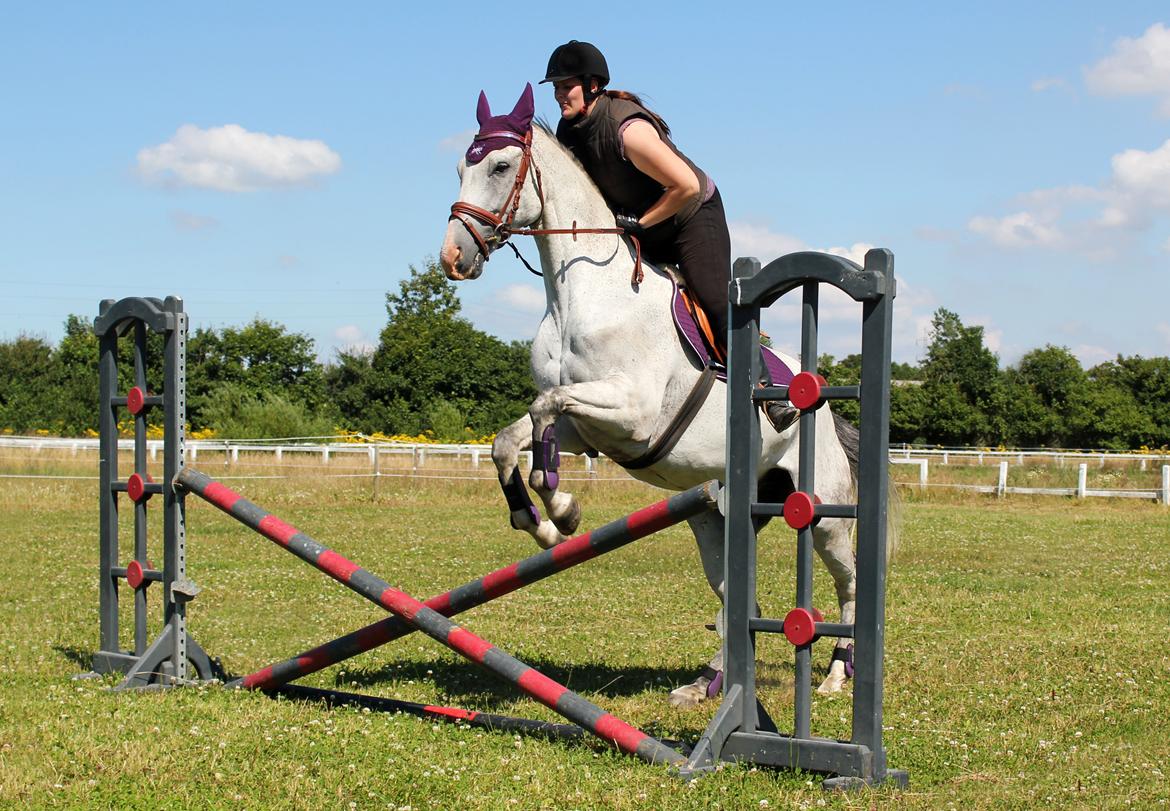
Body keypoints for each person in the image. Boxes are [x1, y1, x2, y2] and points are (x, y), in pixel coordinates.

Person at [541, 40, 796, 429]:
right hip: (637, 220)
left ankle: (771, 391)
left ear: (593, 85)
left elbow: (686, 187)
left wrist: (641, 223)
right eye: (555, 87)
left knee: (712, 297)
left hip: (689, 218)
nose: (559, 94)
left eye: (566, 85)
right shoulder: (568, 130)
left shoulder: (628, 129)